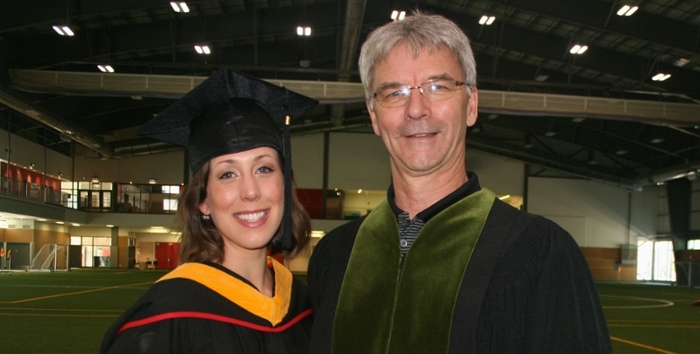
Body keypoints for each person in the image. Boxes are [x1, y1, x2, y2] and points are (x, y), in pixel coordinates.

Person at [307, 11, 612, 354]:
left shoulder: (540, 252)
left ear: (471, 105)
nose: (416, 109)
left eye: (437, 87)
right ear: (374, 116)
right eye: (395, 93)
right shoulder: (335, 256)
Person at [100, 68, 318, 354]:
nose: (250, 191)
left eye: (264, 168)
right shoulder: (168, 317)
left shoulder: (304, 305)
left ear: (285, 184)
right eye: (227, 174)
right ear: (203, 200)